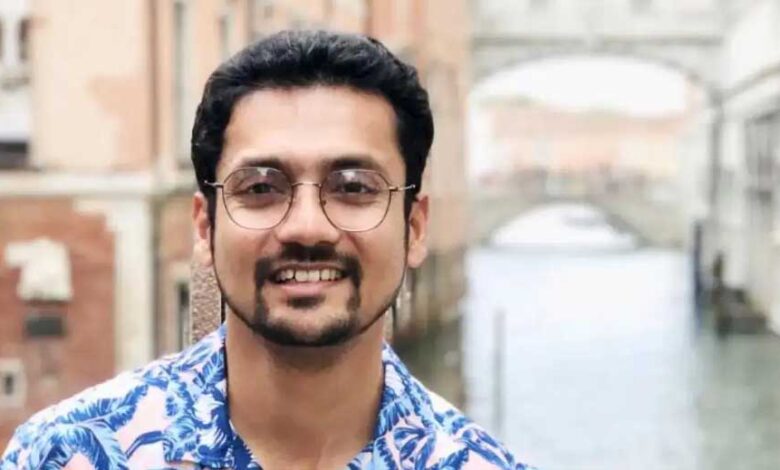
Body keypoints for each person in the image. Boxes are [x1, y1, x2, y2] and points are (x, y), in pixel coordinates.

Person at [1, 30, 532, 470]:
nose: (307, 228)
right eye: (260, 188)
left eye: (353, 187)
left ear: (414, 228)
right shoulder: (66, 455)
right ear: (205, 226)